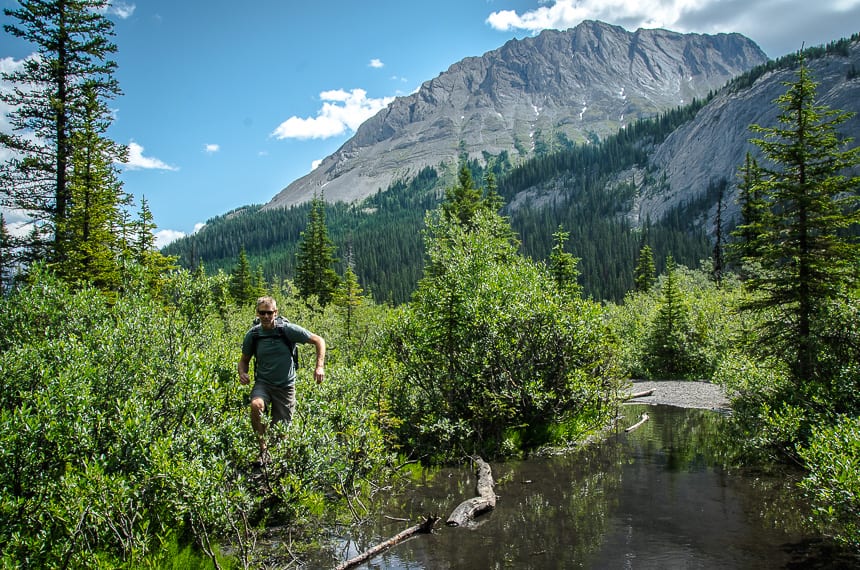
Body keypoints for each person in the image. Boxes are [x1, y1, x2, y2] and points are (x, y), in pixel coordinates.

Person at [238, 296, 326, 461]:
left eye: (269, 313)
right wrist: (242, 373)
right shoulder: (253, 334)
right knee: (256, 405)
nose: (265, 316)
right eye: (262, 313)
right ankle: (263, 450)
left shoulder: (287, 330)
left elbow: (319, 340)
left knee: (281, 435)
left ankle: (277, 468)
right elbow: (244, 360)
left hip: (285, 387)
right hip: (263, 383)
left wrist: (319, 366)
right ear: (257, 313)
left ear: (275, 313)